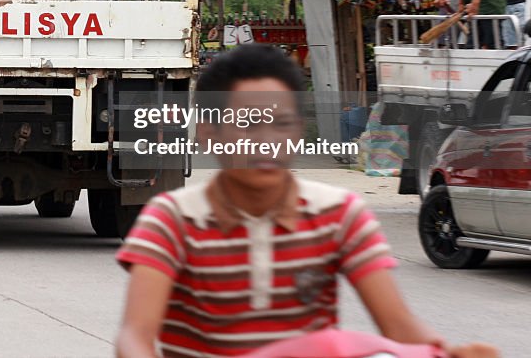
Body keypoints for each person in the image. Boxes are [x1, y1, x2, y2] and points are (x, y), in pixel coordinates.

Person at [115, 44, 498, 358]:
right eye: (248, 123)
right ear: (208, 133)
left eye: (281, 123)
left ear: (299, 130)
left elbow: (398, 328)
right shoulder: (170, 222)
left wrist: (449, 352)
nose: (266, 140)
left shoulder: (339, 215)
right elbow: (134, 337)